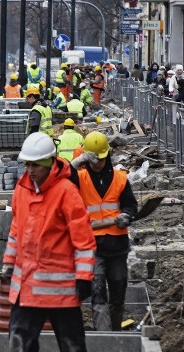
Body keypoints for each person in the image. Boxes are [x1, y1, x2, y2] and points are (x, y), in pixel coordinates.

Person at [0, 132, 96, 352]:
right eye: (27, 166)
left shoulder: (66, 192)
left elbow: (83, 239)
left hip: (61, 289)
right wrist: (8, 263)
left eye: (35, 166)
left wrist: (84, 278)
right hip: (26, 286)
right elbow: (17, 231)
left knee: (72, 345)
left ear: (50, 163)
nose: (30, 171)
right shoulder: (22, 190)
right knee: (20, 346)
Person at [71, 131, 138, 332]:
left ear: (106, 156)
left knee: (117, 293)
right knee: (98, 292)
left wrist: (126, 216)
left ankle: (116, 334)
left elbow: (130, 205)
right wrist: (76, 162)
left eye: (99, 160)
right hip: (93, 247)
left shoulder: (120, 178)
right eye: (92, 160)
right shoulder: (80, 178)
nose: (96, 164)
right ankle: (103, 336)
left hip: (117, 246)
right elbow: (58, 179)